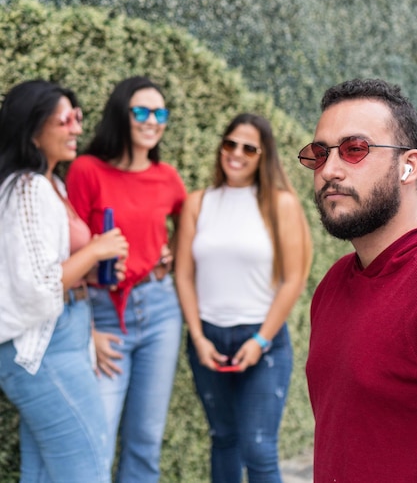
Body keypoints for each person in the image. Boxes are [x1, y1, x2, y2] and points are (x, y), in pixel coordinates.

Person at [0, 79, 128, 483]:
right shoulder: (28, 188)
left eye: (79, 117)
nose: (76, 128)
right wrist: (95, 250)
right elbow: (38, 287)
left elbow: (44, 269)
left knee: (42, 473)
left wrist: (91, 269)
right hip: (42, 349)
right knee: (86, 469)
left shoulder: (52, 184)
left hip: (63, 338)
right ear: (33, 129)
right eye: (65, 119)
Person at [175, 112, 312, 483]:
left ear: (263, 154)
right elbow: (184, 274)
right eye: (229, 143)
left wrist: (261, 339)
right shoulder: (198, 203)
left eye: (248, 147)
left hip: (262, 340)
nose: (236, 153)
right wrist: (198, 337)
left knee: (258, 447)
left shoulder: (280, 204)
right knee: (223, 440)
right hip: (208, 340)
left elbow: (293, 279)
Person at [66, 75, 187, 483]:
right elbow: (67, 251)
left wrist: (166, 251)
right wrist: (89, 331)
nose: (152, 120)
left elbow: (186, 234)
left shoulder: (168, 178)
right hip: (103, 315)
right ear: (122, 113)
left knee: (145, 442)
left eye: (160, 113)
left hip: (160, 310)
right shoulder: (86, 171)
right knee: (95, 440)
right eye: (142, 111)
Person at [297, 78, 417, 483]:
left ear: (409, 166)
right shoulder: (332, 285)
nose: (329, 169)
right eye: (319, 153)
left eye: (355, 149)